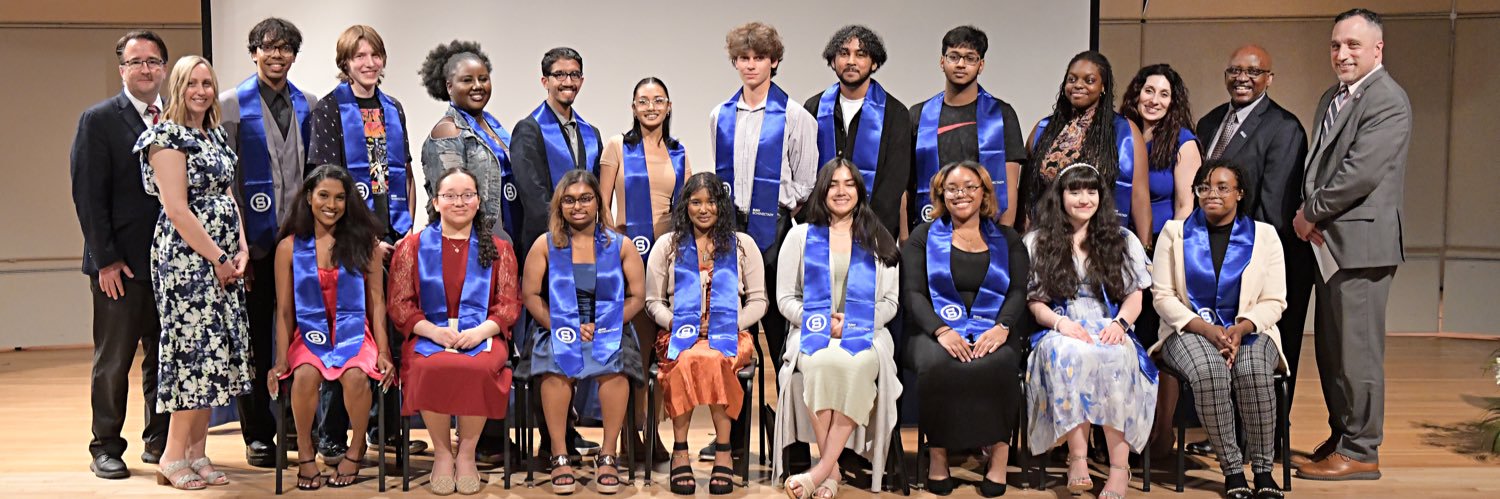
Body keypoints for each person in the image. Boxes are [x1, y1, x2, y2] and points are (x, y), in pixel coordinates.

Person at [1292, 8, 1411, 481]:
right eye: (1336, 45)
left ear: (1377, 49)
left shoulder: (1387, 99)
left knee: (1358, 354)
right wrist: (1311, 217)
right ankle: (1343, 436)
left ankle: (1362, 450)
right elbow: (1320, 163)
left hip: (1361, 244)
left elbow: (1358, 173)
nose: (1342, 54)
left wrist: (1309, 213)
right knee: (1333, 350)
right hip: (1330, 244)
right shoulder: (1333, 96)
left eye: (1353, 46)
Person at [131, 55, 253, 490]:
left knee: (217, 355)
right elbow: (177, 210)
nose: (201, 91)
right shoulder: (165, 136)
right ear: (178, 87)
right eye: (192, 84)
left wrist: (239, 248)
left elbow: (227, 195)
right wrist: (218, 258)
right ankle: (171, 455)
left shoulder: (214, 133)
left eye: (207, 83)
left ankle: (197, 452)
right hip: (187, 262)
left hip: (221, 258)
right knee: (193, 356)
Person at [305, 24, 422, 463]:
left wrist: (406, 230)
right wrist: (366, 237)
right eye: (359, 56)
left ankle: (386, 429)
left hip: (395, 236)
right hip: (350, 239)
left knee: (390, 329)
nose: (368, 63)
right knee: (347, 332)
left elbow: (405, 172)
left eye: (374, 55)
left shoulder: (394, 107)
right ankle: (332, 432)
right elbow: (326, 181)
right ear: (345, 63)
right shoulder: (330, 109)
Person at [1192, 45, 1310, 459]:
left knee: (1261, 349)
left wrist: (1244, 261)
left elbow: (1275, 207)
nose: (1243, 78)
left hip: (1263, 259)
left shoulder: (1284, 127)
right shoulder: (1209, 122)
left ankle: (1266, 440)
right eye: (1235, 70)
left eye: (1253, 71)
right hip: (1211, 258)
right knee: (1220, 348)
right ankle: (1224, 435)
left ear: (1269, 79)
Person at [1149, 160, 1288, 499]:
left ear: (1240, 193)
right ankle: (1231, 471)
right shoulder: (1174, 233)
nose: (1212, 194)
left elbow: (1275, 300)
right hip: (1187, 331)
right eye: (1205, 187)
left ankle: (1263, 470)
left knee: (1253, 369)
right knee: (1210, 372)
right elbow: (1163, 297)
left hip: (1251, 331)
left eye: (1223, 187)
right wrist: (1209, 331)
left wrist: (1241, 328)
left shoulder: (1265, 236)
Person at [70, 30, 172, 479]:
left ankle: (159, 440)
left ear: (164, 68)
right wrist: (106, 259)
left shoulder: (174, 118)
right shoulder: (99, 119)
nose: (145, 69)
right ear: (122, 70)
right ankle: (106, 446)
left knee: (163, 358)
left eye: (153, 61)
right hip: (120, 267)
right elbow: (88, 196)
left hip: (170, 264)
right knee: (113, 362)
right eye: (136, 62)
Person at [218, 17, 318, 468]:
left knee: (300, 335)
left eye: (285, 49)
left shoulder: (310, 105)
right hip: (253, 249)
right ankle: (257, 434)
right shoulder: (229, 106)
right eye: (268, 48)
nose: (277, 56)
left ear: (294, 56)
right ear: (253, 52)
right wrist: (241, 247)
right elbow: (225, 185)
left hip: (300, 247)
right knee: (257, 341)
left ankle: (298, 425)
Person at [1024, 164, 1156, 499]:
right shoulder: (1040, 241)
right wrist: (1061, 324)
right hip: (1061, 321)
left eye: (1091, 191)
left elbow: (1135, 297)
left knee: (1116, 357)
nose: (1085, 199)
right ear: (1061, 197)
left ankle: (1118, 467)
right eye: (1075, 191)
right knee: (1069, 353)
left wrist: (1120, 324)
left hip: (1109, 320)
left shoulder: (1122, 239)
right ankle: (1078, 458)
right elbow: (1035, 302)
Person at [388, 167, 522, 495]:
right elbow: (400, 304)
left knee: (477, 367)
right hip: (429, 333)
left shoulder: (498, 248)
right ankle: (443, 454)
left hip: (483, 335)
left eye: (467, 195)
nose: (459, 202)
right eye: (450, 196)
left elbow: (507, 305)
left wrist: (480, 333)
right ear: (436, 201)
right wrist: (433, 332)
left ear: (478, 201)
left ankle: (466, 454)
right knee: (429, 366)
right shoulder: (413, 246)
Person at [774, 159, 903, 497]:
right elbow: (786, 298)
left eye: (849, 183)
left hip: (868, 334)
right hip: (811, 332)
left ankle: (818, 472)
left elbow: (890, 302)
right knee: (820, 363)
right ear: (822, 190)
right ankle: (832, 473)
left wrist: (855, 323)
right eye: (833, 184)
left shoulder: (879, 238)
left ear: (860, 191)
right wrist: (816, 322)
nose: (841, 191)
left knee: (855, 365)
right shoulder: (800, 237)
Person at [903, 161, 1030, 497]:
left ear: (984, 192)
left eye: (970, 187)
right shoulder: (923, 236)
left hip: (993, 328)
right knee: (938, 365)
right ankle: (939, 456)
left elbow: (1019, 290)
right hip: (934, 330)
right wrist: (941, 331)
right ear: (941, 195)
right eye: (953, 188)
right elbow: (913, 293)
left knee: (1000, 363)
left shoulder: (1007, 237)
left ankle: (999, 459)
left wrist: (1003, 327)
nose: (962, 194)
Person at [265, 165, 393, 490]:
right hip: (309, 334)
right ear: (309, 197)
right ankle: (306, 452)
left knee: (356, 376)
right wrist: (280, 360)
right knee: (305, 375)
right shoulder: (289, 248)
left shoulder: (366, 245)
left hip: (355, 332)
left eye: (339, 197)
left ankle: (357, 446)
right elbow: (283, 310)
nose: (331, 204)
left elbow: (378, 303)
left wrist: (384, 352)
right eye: (324, 195)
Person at [521, 170, 646, 495]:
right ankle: (559, 453)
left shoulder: (620, 245)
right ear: (559, 205)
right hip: (557, 325)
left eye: (585, 199)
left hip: (610, 323)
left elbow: (637, 296)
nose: (578, 206)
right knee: (555, 370)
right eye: (570, 200)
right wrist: (563, 326)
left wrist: (608, 324)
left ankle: (607, 454)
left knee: (615, 369)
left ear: (598, 202)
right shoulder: (545, 245)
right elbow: (531, 295)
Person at [642, 172, 765, 495]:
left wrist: (732, 323)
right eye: (696, 202)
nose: (704, 208)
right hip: (678, 335)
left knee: (714, 359)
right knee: (689, 358)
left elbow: (758, 300)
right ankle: (680, 450)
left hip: (729, 335)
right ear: (686, 206)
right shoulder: (667, 246)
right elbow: (653, 301)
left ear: (721, 206)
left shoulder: (742, 246)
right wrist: (675, 323)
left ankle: (723, 449)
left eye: (711, 201)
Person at [710, 21, 817, 373]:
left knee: (777, 328)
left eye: (759, 57)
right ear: (735, 62)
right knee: (734, 326)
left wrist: (773, 211)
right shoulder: (719, 116)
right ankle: (735, 429)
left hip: (775, 230)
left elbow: (804, 184)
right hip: (730, 228)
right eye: (744, 57)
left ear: (773, 61)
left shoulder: (795, 116)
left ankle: (788, 422)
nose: (751, 64)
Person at [597, 76, 690, 463]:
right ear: (633, 108)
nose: (651, 107)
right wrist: (615, 247)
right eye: (643, 101)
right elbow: (601, 204)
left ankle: (650, 429)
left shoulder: (679, 152)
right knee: (631, 346)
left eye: (658, 100)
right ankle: (626, 434)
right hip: (626, 258)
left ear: (669, 107)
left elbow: (683, 209)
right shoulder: (617, 147)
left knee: (656, 351)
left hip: (665, 259)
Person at [1021, 51, 1151, 249]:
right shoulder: (1043, 130)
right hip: (1048, 242)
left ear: (1103, 87)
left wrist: (1145, 249)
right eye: (1072, 79)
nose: (1078, 85)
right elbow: (1029, 194)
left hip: (1102, 245)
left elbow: (1139, 197)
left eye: (1089, 80)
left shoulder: (1124, 131)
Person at [908, 26, 1027, 234]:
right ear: (942, 61)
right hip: (929, 230)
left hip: (986, 234)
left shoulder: (1001, 115)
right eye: (954, 56)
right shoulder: (918, 115)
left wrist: (1004, 237)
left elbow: (1009, 186)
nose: (961, 64)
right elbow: (908, 184)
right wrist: (907, 240)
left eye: (970, 58)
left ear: (981, 65)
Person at [802, 24, 911, 238]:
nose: (851, 61)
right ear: (833, 61)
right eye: (844, 53)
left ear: (874, 63)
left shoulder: (895, 113)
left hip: (874, 231)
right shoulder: (814, 108)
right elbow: (804, 171)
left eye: (860, 54)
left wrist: (869, 227)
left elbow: (894, 182)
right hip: (820, 229)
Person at [512, 47, 604, 260]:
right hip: (545, 245)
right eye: (560, 75)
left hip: (586, 245)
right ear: (545, 82)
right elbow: (533, 196)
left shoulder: (592, 133)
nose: (568, 82)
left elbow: (596, 191)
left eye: (574, 75)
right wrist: (566, 233)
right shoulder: (528, 130)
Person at [419, 40, 518, 237]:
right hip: (478, 238)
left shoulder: (494, 126)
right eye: (467, 80)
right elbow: (452, 203)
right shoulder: (447, 133)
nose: (477, 86)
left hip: (511, 231)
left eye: (483, 79)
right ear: (449, 86)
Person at [1119, 63, 1199, 235]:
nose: (1154, 101)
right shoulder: (1122, 136)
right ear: (1137, 94)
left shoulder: (1183, 142)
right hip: (1119, 241)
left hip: (1160, 243)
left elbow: (1184, 206)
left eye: (1164, 94)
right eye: (1148, 91)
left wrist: (1170, 249)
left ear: (1172, 102)